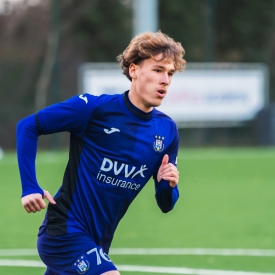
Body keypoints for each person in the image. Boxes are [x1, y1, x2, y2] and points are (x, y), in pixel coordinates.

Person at [17, 31, 186, 275]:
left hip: (98, 242)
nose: (166, 80)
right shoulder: (94, 109)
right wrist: (29, 186)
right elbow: (28, 127)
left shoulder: (167, 130)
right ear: (133, 70)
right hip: (64, 230)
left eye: (170, 73)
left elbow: (165, 204)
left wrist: (168, 185)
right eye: (158, 70)